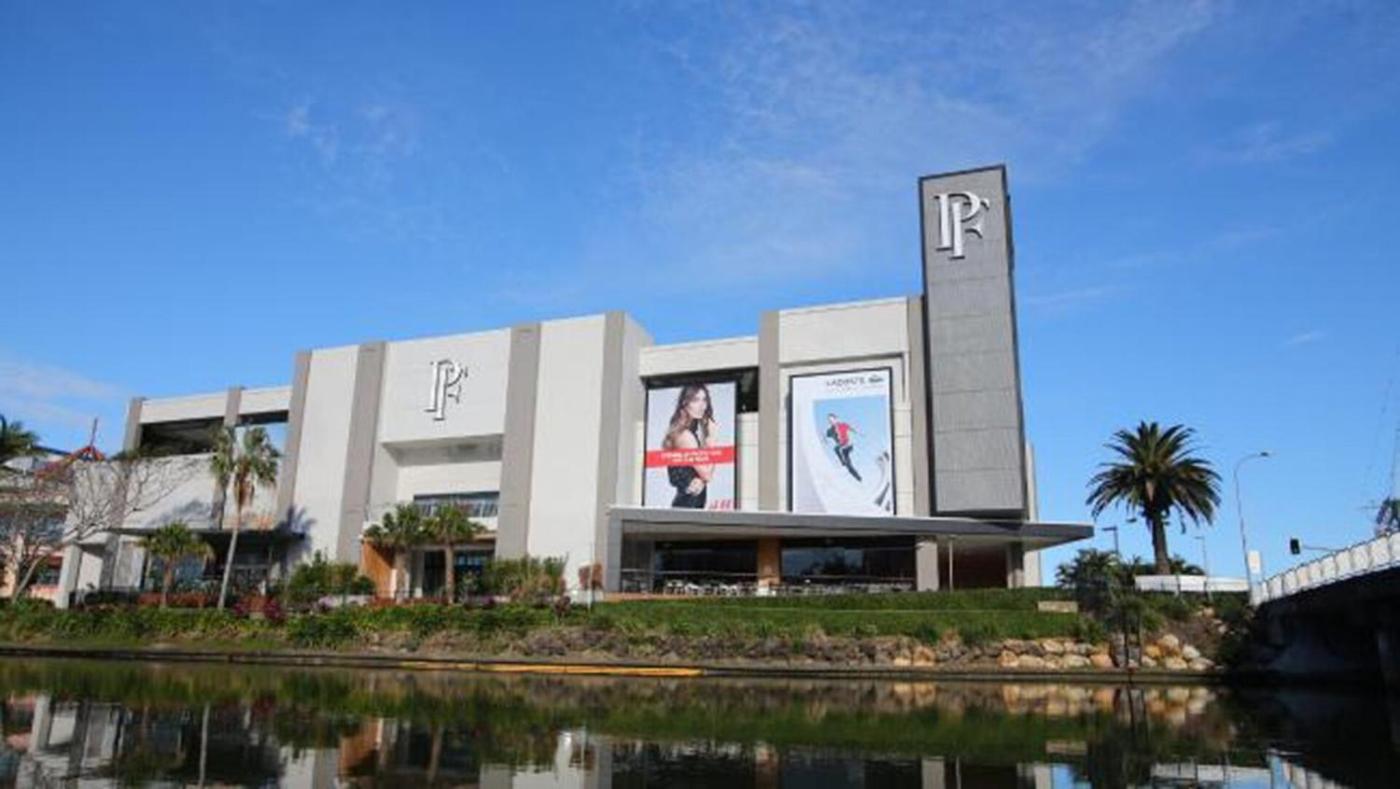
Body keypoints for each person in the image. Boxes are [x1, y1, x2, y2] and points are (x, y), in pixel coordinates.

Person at [664, 384, 720, 508]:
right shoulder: (685, 436)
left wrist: (700, 481)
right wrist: (712, 440)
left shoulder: (688, 433)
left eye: (704, 400)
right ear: (685, 403)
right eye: (695, 400)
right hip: (688, 505)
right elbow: (707, 474)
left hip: (688, 505)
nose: (702, 406)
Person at [825, 413, 862, 481]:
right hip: (842, 449)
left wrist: (859, 433)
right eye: (829, 421)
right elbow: (825, 437)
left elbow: (852, 429)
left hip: (848, 445)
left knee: (836, 449)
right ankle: (858, 478)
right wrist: (824, 440)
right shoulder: (830, 431)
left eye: (832, 420)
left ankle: (842, 461)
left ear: (836, 419)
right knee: (848, 465)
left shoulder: (842, 425)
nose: (831, 422)